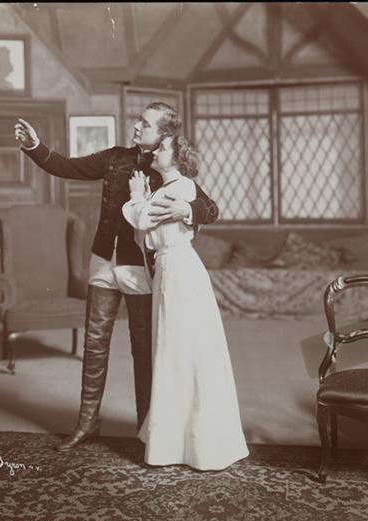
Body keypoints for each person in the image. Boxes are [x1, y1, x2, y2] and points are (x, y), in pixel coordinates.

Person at [14, 102, 220, 452]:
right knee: (94, 344)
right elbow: (67, 166)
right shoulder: (114, 157)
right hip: (102, 263)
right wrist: (35, 146)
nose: (137, 126)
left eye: (145, 123)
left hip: (140, 269)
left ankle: (147, 429)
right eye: (139, 120)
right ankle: (87, 423)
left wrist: (187, 209)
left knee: (143, 350)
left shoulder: (168, 167)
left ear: (164, 134)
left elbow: (210, 208)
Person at [122, 134, 248, 470]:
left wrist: (136, 196)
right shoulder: (166, 188)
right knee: (174, 353)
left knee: (184, 352)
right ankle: (176, 443)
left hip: (180, 271)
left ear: (178, 158)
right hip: (169, 268)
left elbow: (143, 220)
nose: (156, 152)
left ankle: (199, 445)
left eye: (163, 148)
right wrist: (144, 198)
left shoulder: (181, 187)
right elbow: (144, 234)